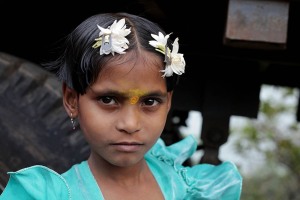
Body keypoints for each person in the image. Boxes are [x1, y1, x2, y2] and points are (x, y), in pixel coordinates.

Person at [0, 12, 242, 200]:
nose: (130, 124)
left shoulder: (189, 189)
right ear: (72, 100)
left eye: (149, 102)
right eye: (108, 100)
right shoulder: (47, 195)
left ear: (168, 102)